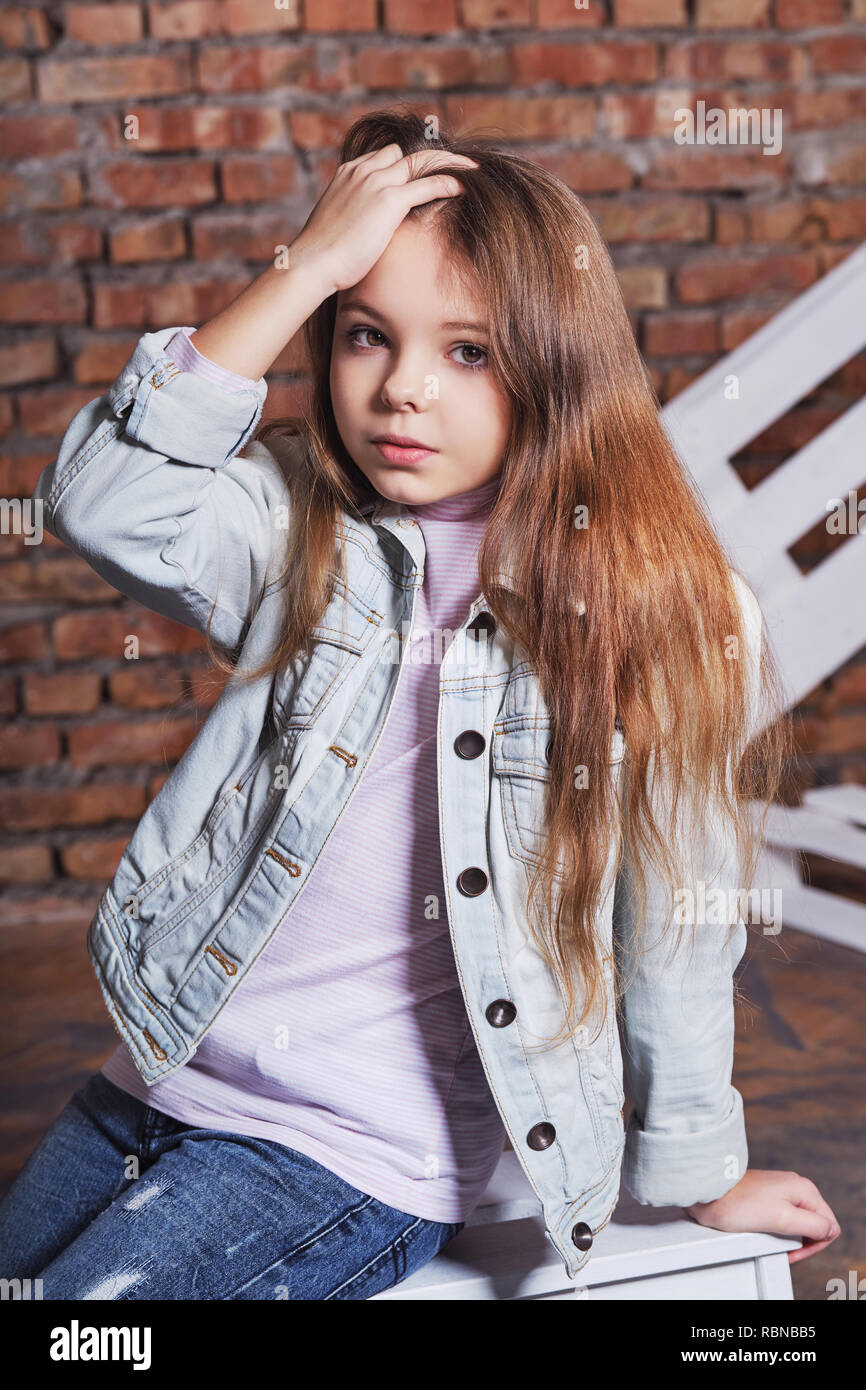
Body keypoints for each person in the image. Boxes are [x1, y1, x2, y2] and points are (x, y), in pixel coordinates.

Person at [0, 110, 840, 1299]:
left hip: (348, 1149)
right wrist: (305, 264)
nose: (400, 389)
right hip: (160, 1075)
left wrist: (700, 1168)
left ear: (554, 360)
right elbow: (109, 500)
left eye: (467, 352)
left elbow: (677, 913)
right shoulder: (304, 525)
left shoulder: (643, 604)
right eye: (363, 333)